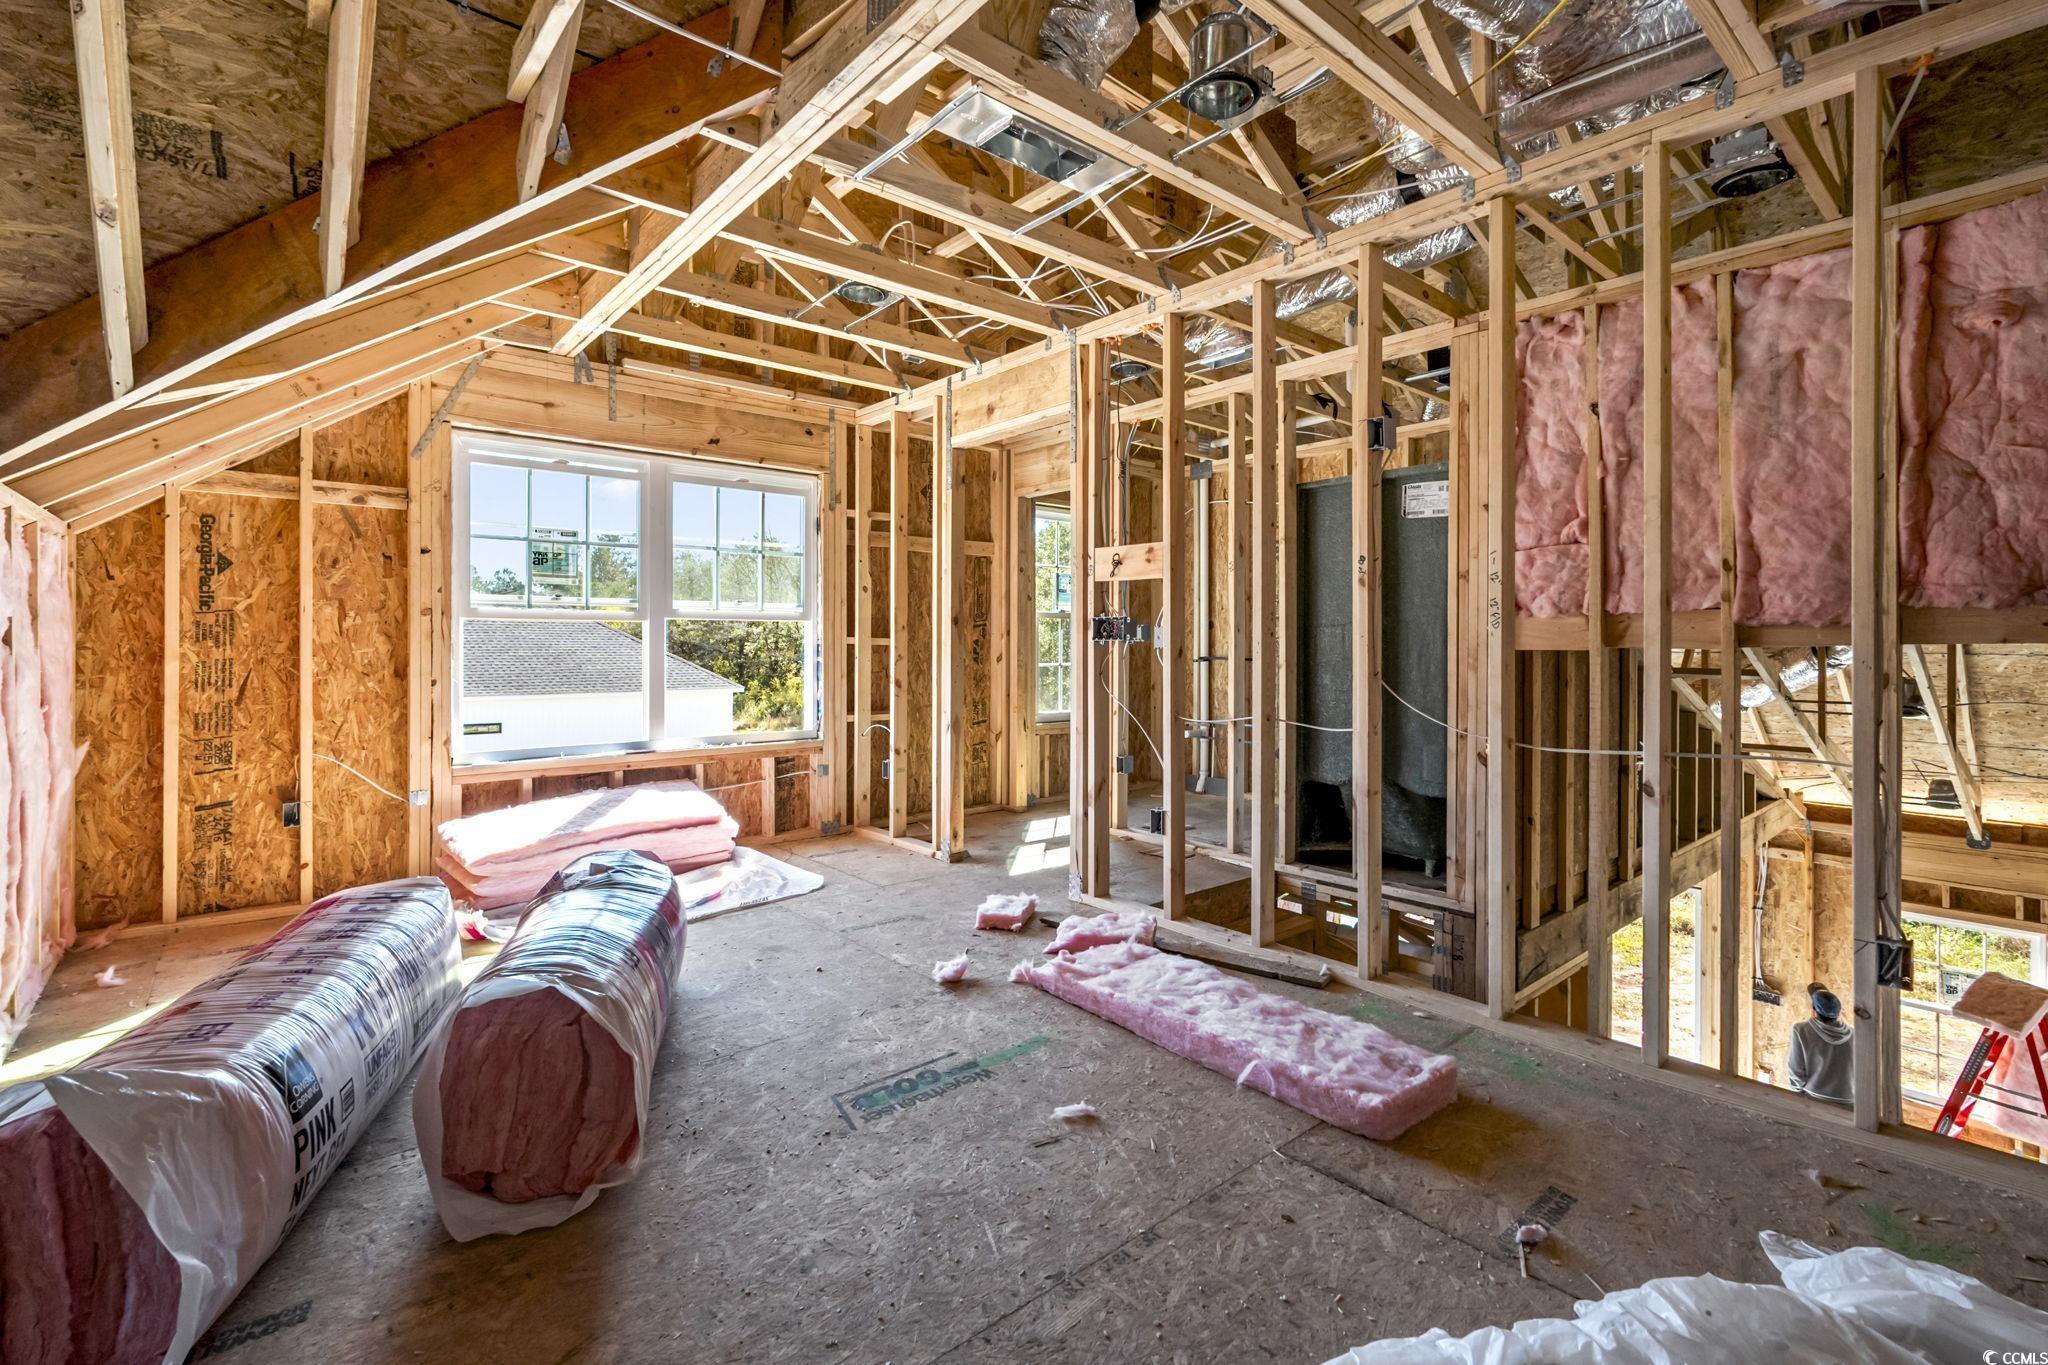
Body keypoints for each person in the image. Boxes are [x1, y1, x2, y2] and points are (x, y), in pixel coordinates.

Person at [1787, 983, 1854, 1107]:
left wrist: (1797, 1095)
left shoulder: (1801, 1030)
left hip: (1815, 1099)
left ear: (1813, 1008)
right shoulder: (1854, 1034)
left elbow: (1796, 1070)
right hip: (1849, 1101)